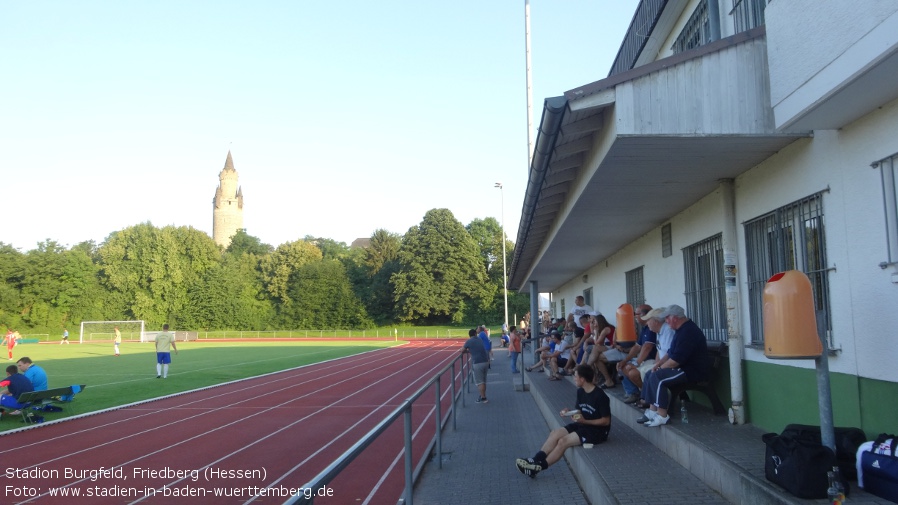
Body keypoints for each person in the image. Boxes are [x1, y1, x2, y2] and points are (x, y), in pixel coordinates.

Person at [515, 364, 611, 478]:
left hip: (597, 431)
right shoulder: (581, 391)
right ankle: (534, 460)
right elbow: (580, 411)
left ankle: (538, 467)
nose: (574, 378)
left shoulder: (600, 396)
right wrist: (570, 412)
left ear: (582, 379)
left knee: (563, 441)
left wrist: (584, 421)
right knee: (555, 433)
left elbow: (606, 421)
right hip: (583, 424)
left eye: (575, 376)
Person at [639, 305, 711, 427]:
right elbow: (670, 353)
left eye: (667, 318)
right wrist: (658, 365)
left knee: (658, 377)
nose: (666, 321)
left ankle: (662, 415)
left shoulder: (688, 332)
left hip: (691, 371)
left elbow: (676, 360)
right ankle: (652, 411)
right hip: (682, 368)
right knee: (650, 373)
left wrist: (660, 369)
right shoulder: (680, 330)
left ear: (675, 318)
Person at [618, 304, 657, 403]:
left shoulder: (652, 327)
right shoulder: (644, 328)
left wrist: (636, 363)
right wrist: (625, 360)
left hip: (652, 361)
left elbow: (647, 347)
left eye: (636, 314)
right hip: (645, 360)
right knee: (621, 366)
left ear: (644, 315)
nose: (634, 316)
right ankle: (634, 393)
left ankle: (648, 396)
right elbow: (637, 346)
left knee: (632, 372)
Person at [462, 328, 489, 403]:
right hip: (485, 361)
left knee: (480, 382)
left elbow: (462, 350)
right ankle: (482, 395)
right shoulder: (480, 339)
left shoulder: (469, 341)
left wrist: (468, 350)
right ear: (475, 334)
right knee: (483, 381)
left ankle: (483, 398)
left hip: (477, 363)